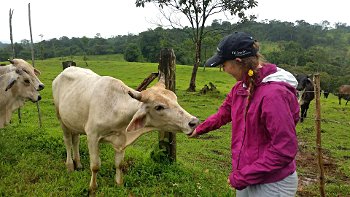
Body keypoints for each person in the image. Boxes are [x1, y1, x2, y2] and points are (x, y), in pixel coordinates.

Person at [190, 32, 300, 197]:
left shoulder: (274, 95)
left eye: (224, 64)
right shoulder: (241, 87)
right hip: (247, 176)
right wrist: (199, 129)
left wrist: (243, 176)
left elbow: (284, 149)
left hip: (272, 184)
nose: (223, 69)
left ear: (238, 62)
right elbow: (224, 113)